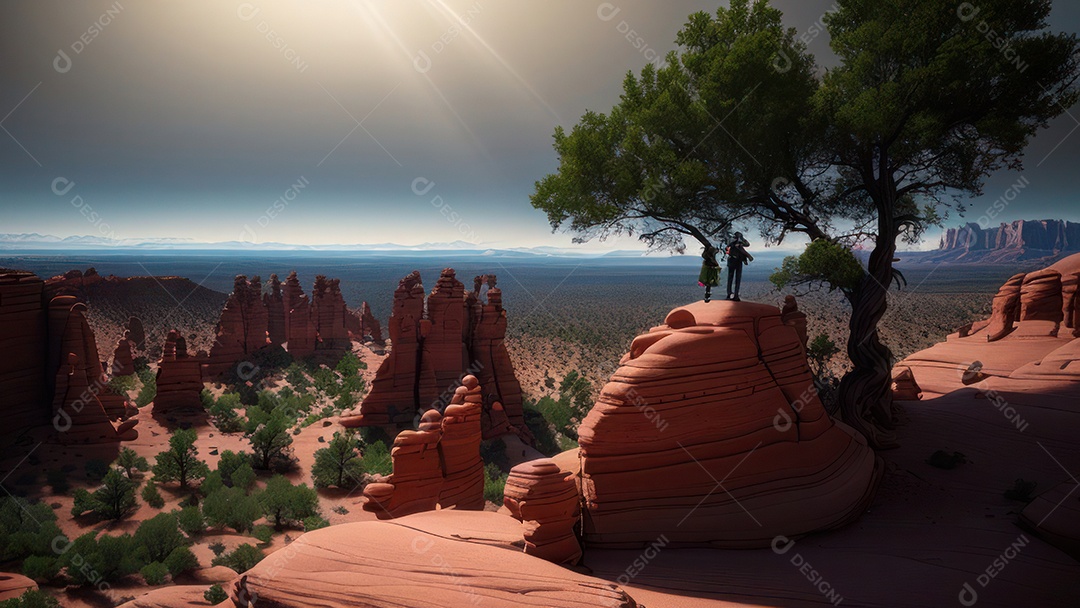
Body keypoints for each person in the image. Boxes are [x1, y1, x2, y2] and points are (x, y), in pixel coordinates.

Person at [725, 232, 753, 301]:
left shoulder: (739, 243)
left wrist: (742, 239)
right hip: (733, 260)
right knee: (732, 278)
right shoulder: (732, 242)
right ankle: (730, 294)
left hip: (738, 261)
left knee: (736, 278)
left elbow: (747, 244)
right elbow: (729, 246)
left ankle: (734, 295)